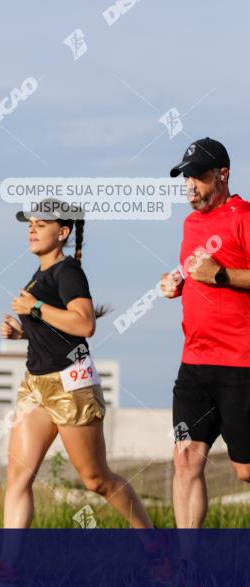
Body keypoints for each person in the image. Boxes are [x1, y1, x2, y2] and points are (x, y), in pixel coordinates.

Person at [0, 199, 161, 580]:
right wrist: (22, 333)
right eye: (29, 224)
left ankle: (155, 548)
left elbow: (84, 325)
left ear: (62, 232)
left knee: (96, 479)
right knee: (18, 476)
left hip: (71, 386)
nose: (32, 229)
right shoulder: (40, 274)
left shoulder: (68, 272)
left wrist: (33, 311)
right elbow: (57, 329)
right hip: (36, 386)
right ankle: (6, 570)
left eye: (41, 224)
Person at [161, 138, 250, 533]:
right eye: (186, 178)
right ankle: (187, 568)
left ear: (223, 174)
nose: (190, 186)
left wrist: (221, 275)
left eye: (198, 176)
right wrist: (176, 282)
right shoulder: (190, 224)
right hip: (194, 364)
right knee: (186, 458)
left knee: (245, 471)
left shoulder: (244, 217)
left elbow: (217, 272)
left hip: (240, 364)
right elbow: (196, 272)